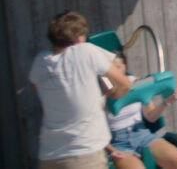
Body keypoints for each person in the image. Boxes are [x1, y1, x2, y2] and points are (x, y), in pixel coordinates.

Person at [28, 11, 131, 169]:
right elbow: (124, 84)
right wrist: (112, 93)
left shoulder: (40, 61)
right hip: (85, 154)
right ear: (79, 39)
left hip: (49, 156)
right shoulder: (86, 51)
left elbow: (34, 85)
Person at [104, 58, 177, 169]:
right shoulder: (100, 92)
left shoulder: (137, 83)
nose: (115, 71)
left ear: (125, 67)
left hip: (140, 133)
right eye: (112, 68)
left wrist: (165, 103)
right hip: (117, 142)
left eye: (118, 67)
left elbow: (150, 117)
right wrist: (110, 150)